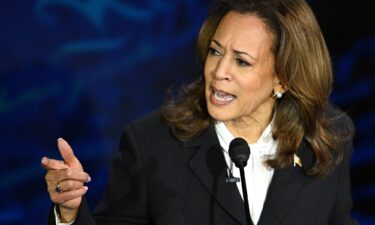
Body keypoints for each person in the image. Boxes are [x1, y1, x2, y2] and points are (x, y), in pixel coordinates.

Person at [42, 0, 358, 224]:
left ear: (283, 78)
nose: (218, 71)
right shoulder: (151, 143)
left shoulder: (327, 137)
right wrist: (69, 214)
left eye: (242, 61)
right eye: (215, 51)